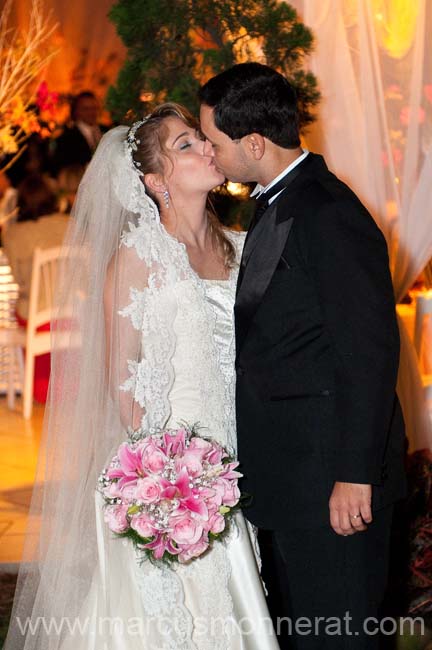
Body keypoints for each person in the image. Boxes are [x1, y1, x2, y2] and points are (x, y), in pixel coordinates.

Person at [4, 103, 279, 649]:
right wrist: (168, 479)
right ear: (155, 181)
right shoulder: (136, 257)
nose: (207, 148)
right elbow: (122, 384)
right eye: (186, 146)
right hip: (178, 481)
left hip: (239, 457)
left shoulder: (240, 246)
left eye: (201, 140)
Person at [199, 63, 406, 649]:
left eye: (216, 143)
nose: (212, 156)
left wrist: (353, 474)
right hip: (293, 478)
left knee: (340, 635)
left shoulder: (329, 212)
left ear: (255, 143)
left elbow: (368, 352)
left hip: (331, 483)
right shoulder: (277, 200)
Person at [2, 174, 69, 403]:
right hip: (74, 313)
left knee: (19, 306)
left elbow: (18, 280)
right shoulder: (70, 223)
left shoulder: (14, 234)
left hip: (38, 318)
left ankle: (40, 390)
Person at [51, 91, 106, 174]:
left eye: (94, 108)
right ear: (76, 111)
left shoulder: (107, 130)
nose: (91, 112)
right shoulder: (66, 139)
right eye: (86, 109)